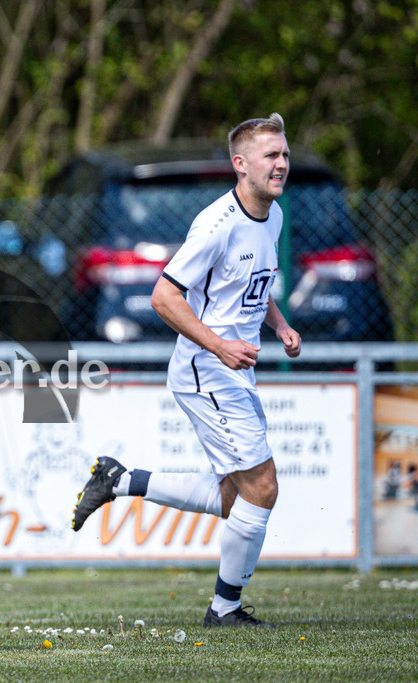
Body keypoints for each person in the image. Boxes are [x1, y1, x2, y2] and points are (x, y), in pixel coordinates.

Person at [70, 113, 301, 629]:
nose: (282, 163)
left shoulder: (275, 216)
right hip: (207, 369)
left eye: (284, 154)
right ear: (240, 165)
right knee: (262, 487)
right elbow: (162, 297)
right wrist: (219, 345)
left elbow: (252, 285)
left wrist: (280, 324)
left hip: (229, 368)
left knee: (233, 494)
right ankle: (224, 609)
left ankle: (121, 479)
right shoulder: (215, 225)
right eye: (271, 155)